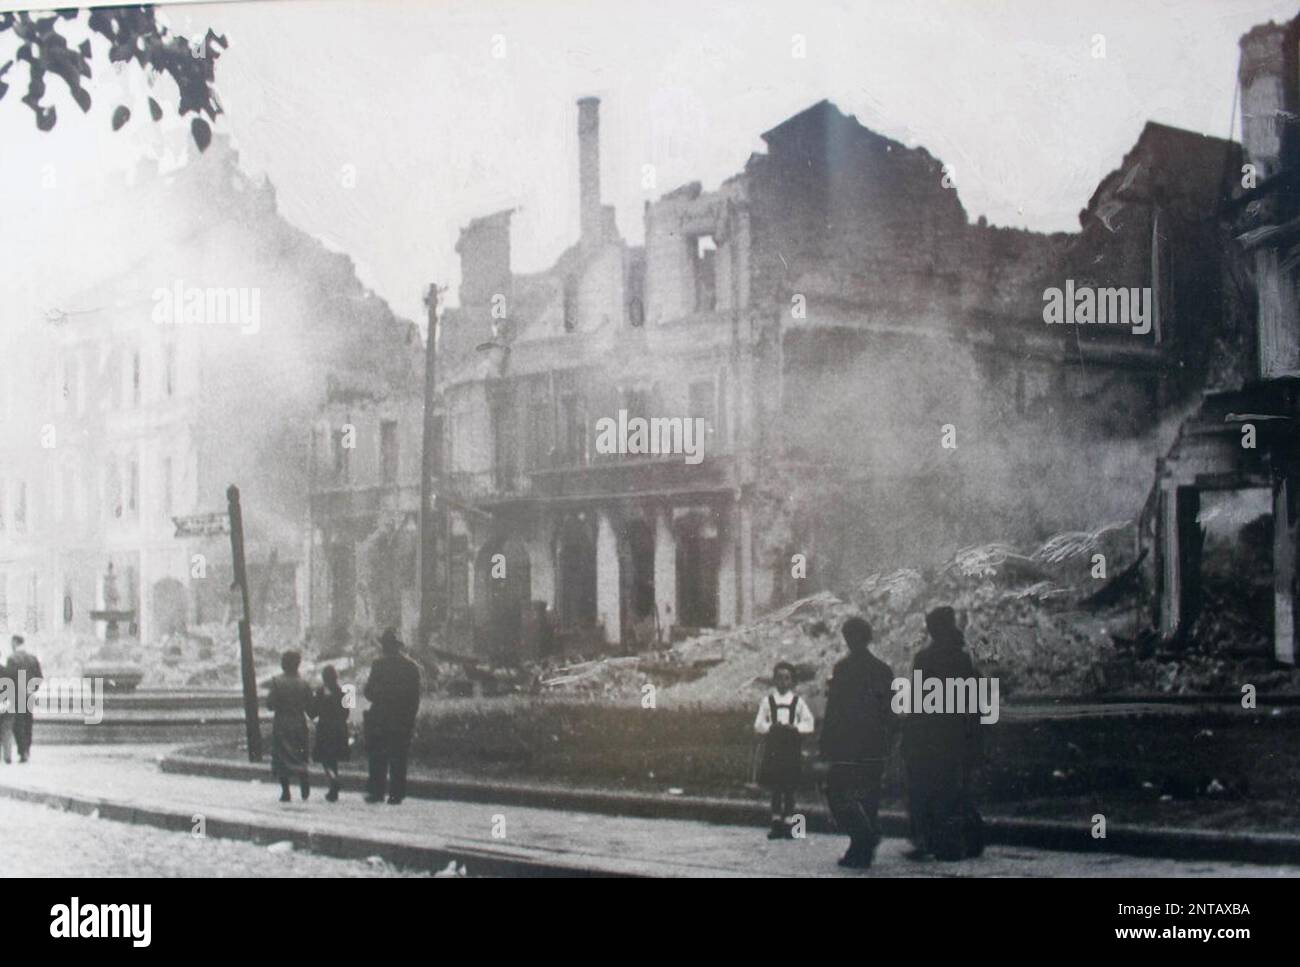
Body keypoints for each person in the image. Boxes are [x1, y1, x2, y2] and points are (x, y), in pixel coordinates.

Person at [902, 606, 985, 861]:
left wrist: (910, 733)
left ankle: (936, 842)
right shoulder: (963, 658)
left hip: (930, 735)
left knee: (926, 789)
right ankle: (966, 841)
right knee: (954, 789)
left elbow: (917, 701)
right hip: (957, 735)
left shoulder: (925, 659)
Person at [819, 617, 897, 869]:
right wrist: (888, 741)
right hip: (873, 745)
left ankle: (862, 841)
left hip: (848, 744)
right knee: (868, 796)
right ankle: (862, 847)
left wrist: (826, 742)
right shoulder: (883, 670)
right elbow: (890, 712)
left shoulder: (843, 669)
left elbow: (834, 710)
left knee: (838, 793)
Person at [754, 661, 815, 839]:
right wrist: (770, 727)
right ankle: (776, 823)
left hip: (790, 747)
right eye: (779, 678)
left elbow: (808, 722)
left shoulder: (797, 702)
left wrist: (795, 728)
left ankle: (789, 822)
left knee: (789, 786)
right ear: (774, 680)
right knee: (776, 786)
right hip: (774, 747)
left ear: (792, 682)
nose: (783, 682)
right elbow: (758, 724)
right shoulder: (767, 701)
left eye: (787, 678)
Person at [363, 628, 421, 805]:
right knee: (399, 757)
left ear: (384, 646)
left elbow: (368, 692)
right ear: (398, 646)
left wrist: (381, 697)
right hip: (403, 718)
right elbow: (415, 697)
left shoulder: (378, 665)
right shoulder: (412, 666)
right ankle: (397, 794)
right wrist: (410, 717)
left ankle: (377, 792)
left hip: (380, 716)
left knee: (378, 757)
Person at [267, 650, 313, 802]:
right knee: (300, 754)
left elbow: (270, 704)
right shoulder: (304, 683)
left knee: (282, 756)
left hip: (282, 723)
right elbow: (311, 709)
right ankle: (303, 781)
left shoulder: (276, 682)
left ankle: (285, 791)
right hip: (299, 722)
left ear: (284, 664)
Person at [311, 665, 351, 802]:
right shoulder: (344, 692)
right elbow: (346, 713)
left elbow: (313, 712)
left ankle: (333, 781)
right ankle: (333, 787)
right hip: (339, 728)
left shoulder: (320, 692)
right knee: (333, 758)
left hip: (325, 728)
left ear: (324, 678)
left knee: (325, 758)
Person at [4, 636, 42, 763]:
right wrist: (32, 689)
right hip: (29, 695)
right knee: (28, 722)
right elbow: (39, 676)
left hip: (17, 695)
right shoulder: (32, 658)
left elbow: (8, 677)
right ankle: (27, 750)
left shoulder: (12, 659)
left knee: (18, 724)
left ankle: (23, 751)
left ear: (15, 643)